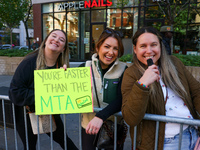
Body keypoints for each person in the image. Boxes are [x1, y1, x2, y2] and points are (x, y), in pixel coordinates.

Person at [121, 26, 200, 150]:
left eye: (154, 45)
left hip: (193, 133)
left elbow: (196, 92)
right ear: (135, 49)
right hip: (166, 142)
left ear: (160, 46)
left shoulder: (175, 63)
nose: (149, 50)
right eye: (143, 46)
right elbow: (131, 118)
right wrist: (143, 84)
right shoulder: (131, 74)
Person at [9, 29, 78, 150]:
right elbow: (14, 92)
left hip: (49, 113)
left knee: (66, 142)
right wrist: (42, 96)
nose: (56, 40)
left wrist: (66, 81)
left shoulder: (61, 67)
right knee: (30, 146)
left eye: (61, 40)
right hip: (27, 114)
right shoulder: (29, 62)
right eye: (54, 36)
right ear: (46, 41)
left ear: (63, 49)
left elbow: (62, 96)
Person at [81, 28, 127, 150]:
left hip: (113, 128)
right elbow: (71, 92)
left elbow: (121, 99)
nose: (111, 52)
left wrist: (101, 116)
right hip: (88, 125)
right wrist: (64, 75)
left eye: (115, 48)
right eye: (107, 46)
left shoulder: (124, 69)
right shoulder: (85, 67)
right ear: (98, 47)